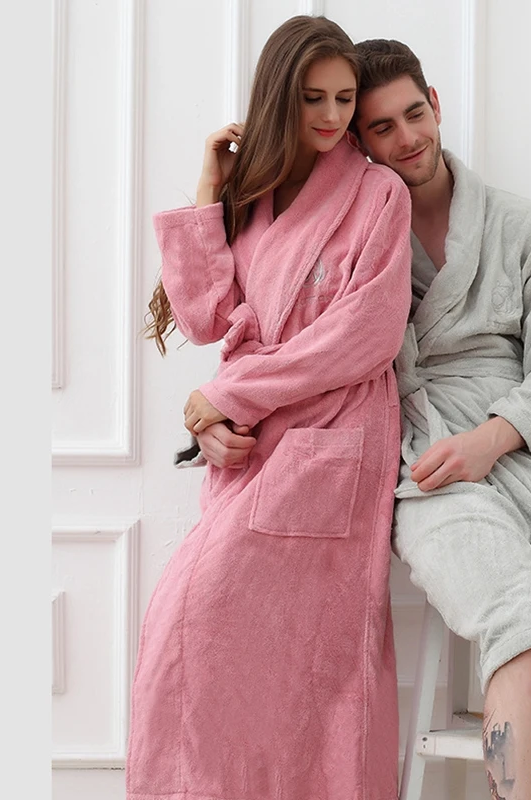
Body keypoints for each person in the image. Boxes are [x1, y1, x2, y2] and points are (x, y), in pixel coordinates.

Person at [196, 37, 531, 800]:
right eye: (381, 127)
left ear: (436, 104)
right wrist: (219, 406)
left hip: (530, 453)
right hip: (422, 467)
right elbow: (284, 343)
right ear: (356, 142)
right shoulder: (348, 236)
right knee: (527, 637)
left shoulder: (523, 228)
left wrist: (494, 437)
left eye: (414, 114)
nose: (406, 137)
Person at [127, 17, 412, 800]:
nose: (331, 116)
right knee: (189, 631)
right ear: (279, 95)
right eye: (313, 98)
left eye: (344, 99)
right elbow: (205, 319)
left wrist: (228, 396)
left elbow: (364, 336)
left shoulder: (377, 193)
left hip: (334, 436)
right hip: (255, 442)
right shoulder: (255, 193)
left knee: (314, 665)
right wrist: (209, 190)